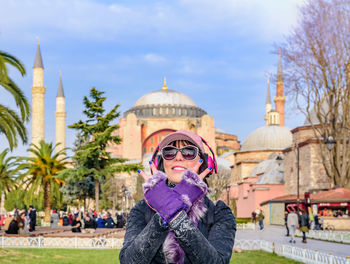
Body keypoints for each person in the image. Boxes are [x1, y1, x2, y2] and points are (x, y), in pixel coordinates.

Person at [120, 130, 236, 264]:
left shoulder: (219, 213)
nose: (178, 157)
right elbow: (129, 261)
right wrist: (164, 212)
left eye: (188, 152)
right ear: (161, 164)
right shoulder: (141, 210)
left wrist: (172, 212)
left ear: (203, 163)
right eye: (169, 152)